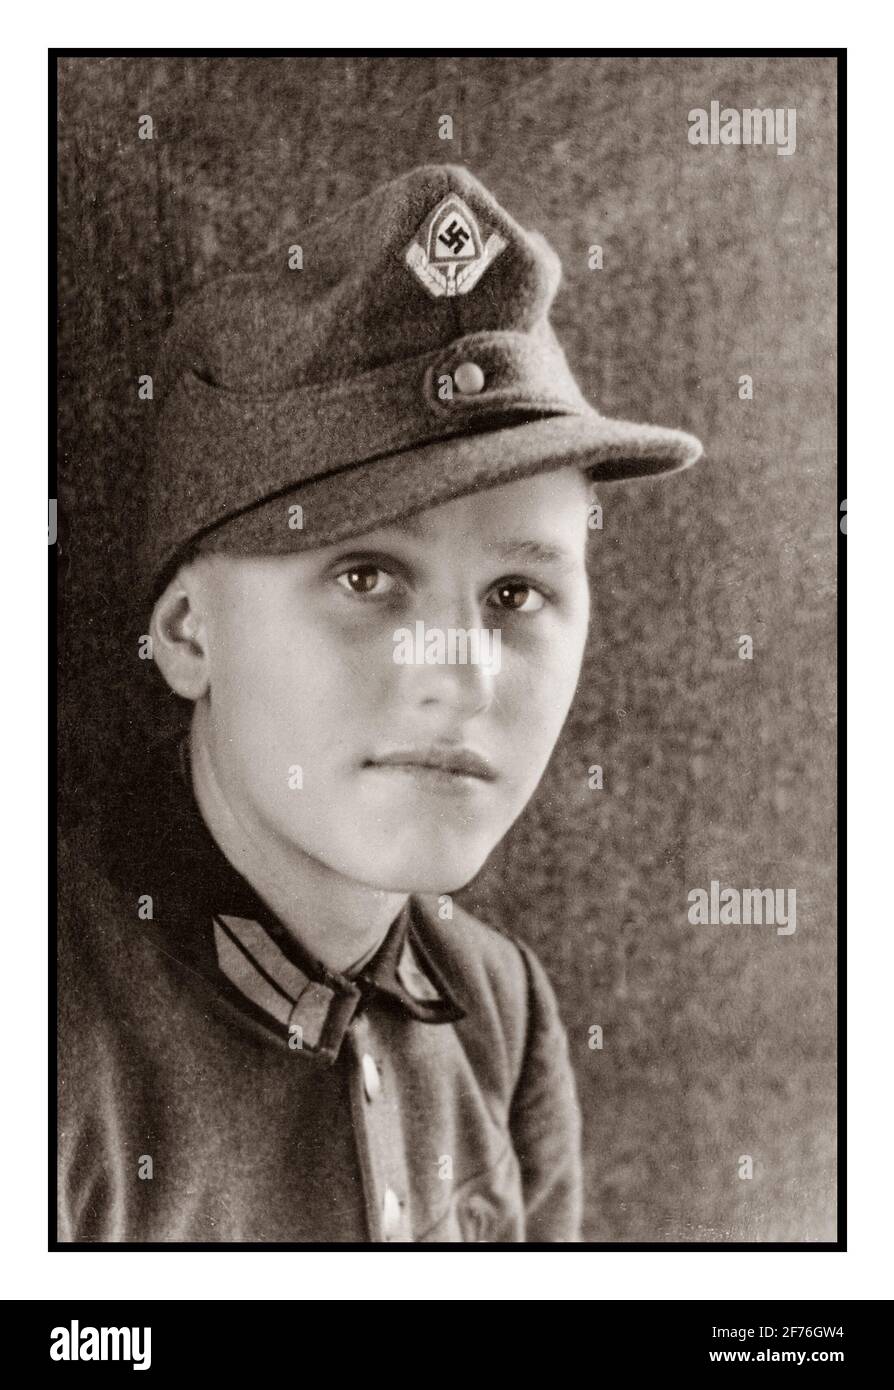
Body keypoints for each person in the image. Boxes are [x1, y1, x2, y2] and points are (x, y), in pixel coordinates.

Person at [57, 163, 702, 1243]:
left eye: (516, 592)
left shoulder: (498, 1009)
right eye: (366, 579)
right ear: (186, 633)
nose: (462, 671)